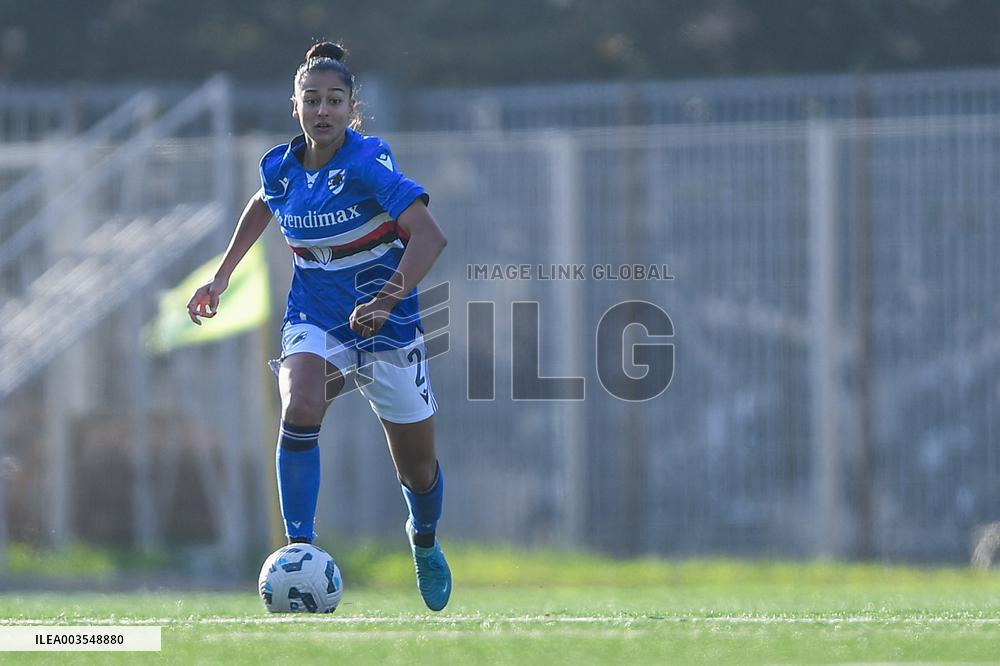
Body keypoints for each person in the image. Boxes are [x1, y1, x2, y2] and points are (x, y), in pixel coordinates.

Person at [186, 42, 451, 611]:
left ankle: (423, 540)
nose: (322, 110)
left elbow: (429, 236)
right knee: (300, 405)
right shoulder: (280, 166)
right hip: (315, 314)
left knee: (419, 468)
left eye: (334, 100)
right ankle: (298, 549)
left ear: (351, 109)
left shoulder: (366, 160)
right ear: (295, 106)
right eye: (312, 99)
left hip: (388, 323)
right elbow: (265, 202)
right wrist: (222, 276)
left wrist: (385, 299)